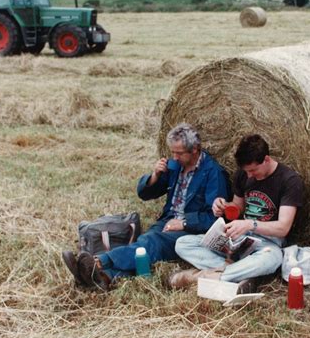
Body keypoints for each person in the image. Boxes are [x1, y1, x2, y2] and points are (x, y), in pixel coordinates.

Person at [62, 123, 229, 290]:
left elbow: (214, 218)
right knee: (145, 249)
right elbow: (145, 194)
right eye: (172, 152)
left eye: (179, 153)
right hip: (168, 220)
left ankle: (99, 262)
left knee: (151, 242)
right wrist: (155, 176)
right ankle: (105, 278)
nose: (174, 157)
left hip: (191, 230)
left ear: (195, 149)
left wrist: (184, 223)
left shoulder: (213, 173)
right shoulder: (176, 166)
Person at [170, 134, 305, 292]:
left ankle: (204, 277)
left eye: (253, 170)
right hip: (240, 239)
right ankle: (241, 273)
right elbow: (237, 206)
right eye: (246, 171)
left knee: (272, 259)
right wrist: (223, 206)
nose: (249, 175)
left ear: (266, 159)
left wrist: (250, 224)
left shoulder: (289, 181)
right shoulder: (243, 174)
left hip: (268, 243)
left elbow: (283, 228)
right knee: (183, 244)